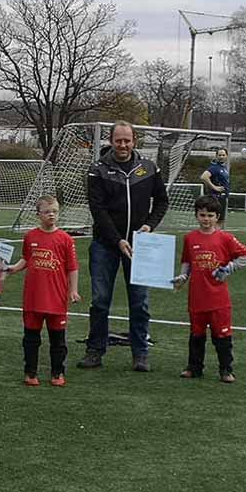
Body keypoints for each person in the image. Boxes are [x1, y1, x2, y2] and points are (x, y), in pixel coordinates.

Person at [79, 121, 168, 373]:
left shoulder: (149, 168)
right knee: (100, 300)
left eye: (127, 140)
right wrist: (118, 239)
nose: (123, 145)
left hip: (141, 246)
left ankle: (140, 353)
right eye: (118, 140)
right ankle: (95, 350)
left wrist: (149, 227)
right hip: (105, 244)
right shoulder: (97, 170)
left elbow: (162, 201)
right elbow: (98, 210)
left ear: (134, 140)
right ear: (110, 140)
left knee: (140, 302)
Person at [172, 195, 246, 383]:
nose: (206, 219)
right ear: (196, 215)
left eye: (210, 215)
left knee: (222, 336)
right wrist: (183, 276)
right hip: (197, 298)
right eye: (202, 215)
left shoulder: (225, 238)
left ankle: (226, 370)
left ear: (217, 217)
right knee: (196, 335)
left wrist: (229, 268)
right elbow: (187, 261)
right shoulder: (190, 238)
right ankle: (194, 368)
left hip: (219, 299)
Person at [2, 196, 80, 387]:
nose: (51, 215)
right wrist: (13, 268)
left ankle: (57, 373)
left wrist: (73, 290)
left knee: (58, 340)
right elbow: (26, 259)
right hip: (33, 298)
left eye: (54, 211)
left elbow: (72, 267)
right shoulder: (30, 237)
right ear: (38, 214)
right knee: (31, 338)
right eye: (47, 212)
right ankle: (30, 372)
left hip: (56, 298)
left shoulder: (65, 239)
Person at [200, 148, 230, 224]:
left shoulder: (224, 168)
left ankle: (217, 235)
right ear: (216, 156)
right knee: (215, 220)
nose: (221, 157)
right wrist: (214, 187)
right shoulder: (215, 167)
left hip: (223, 197)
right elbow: (204, 177)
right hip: (216, 197)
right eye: (219, 155)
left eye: (223, 155)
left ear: (226, 156)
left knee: (220, 220)